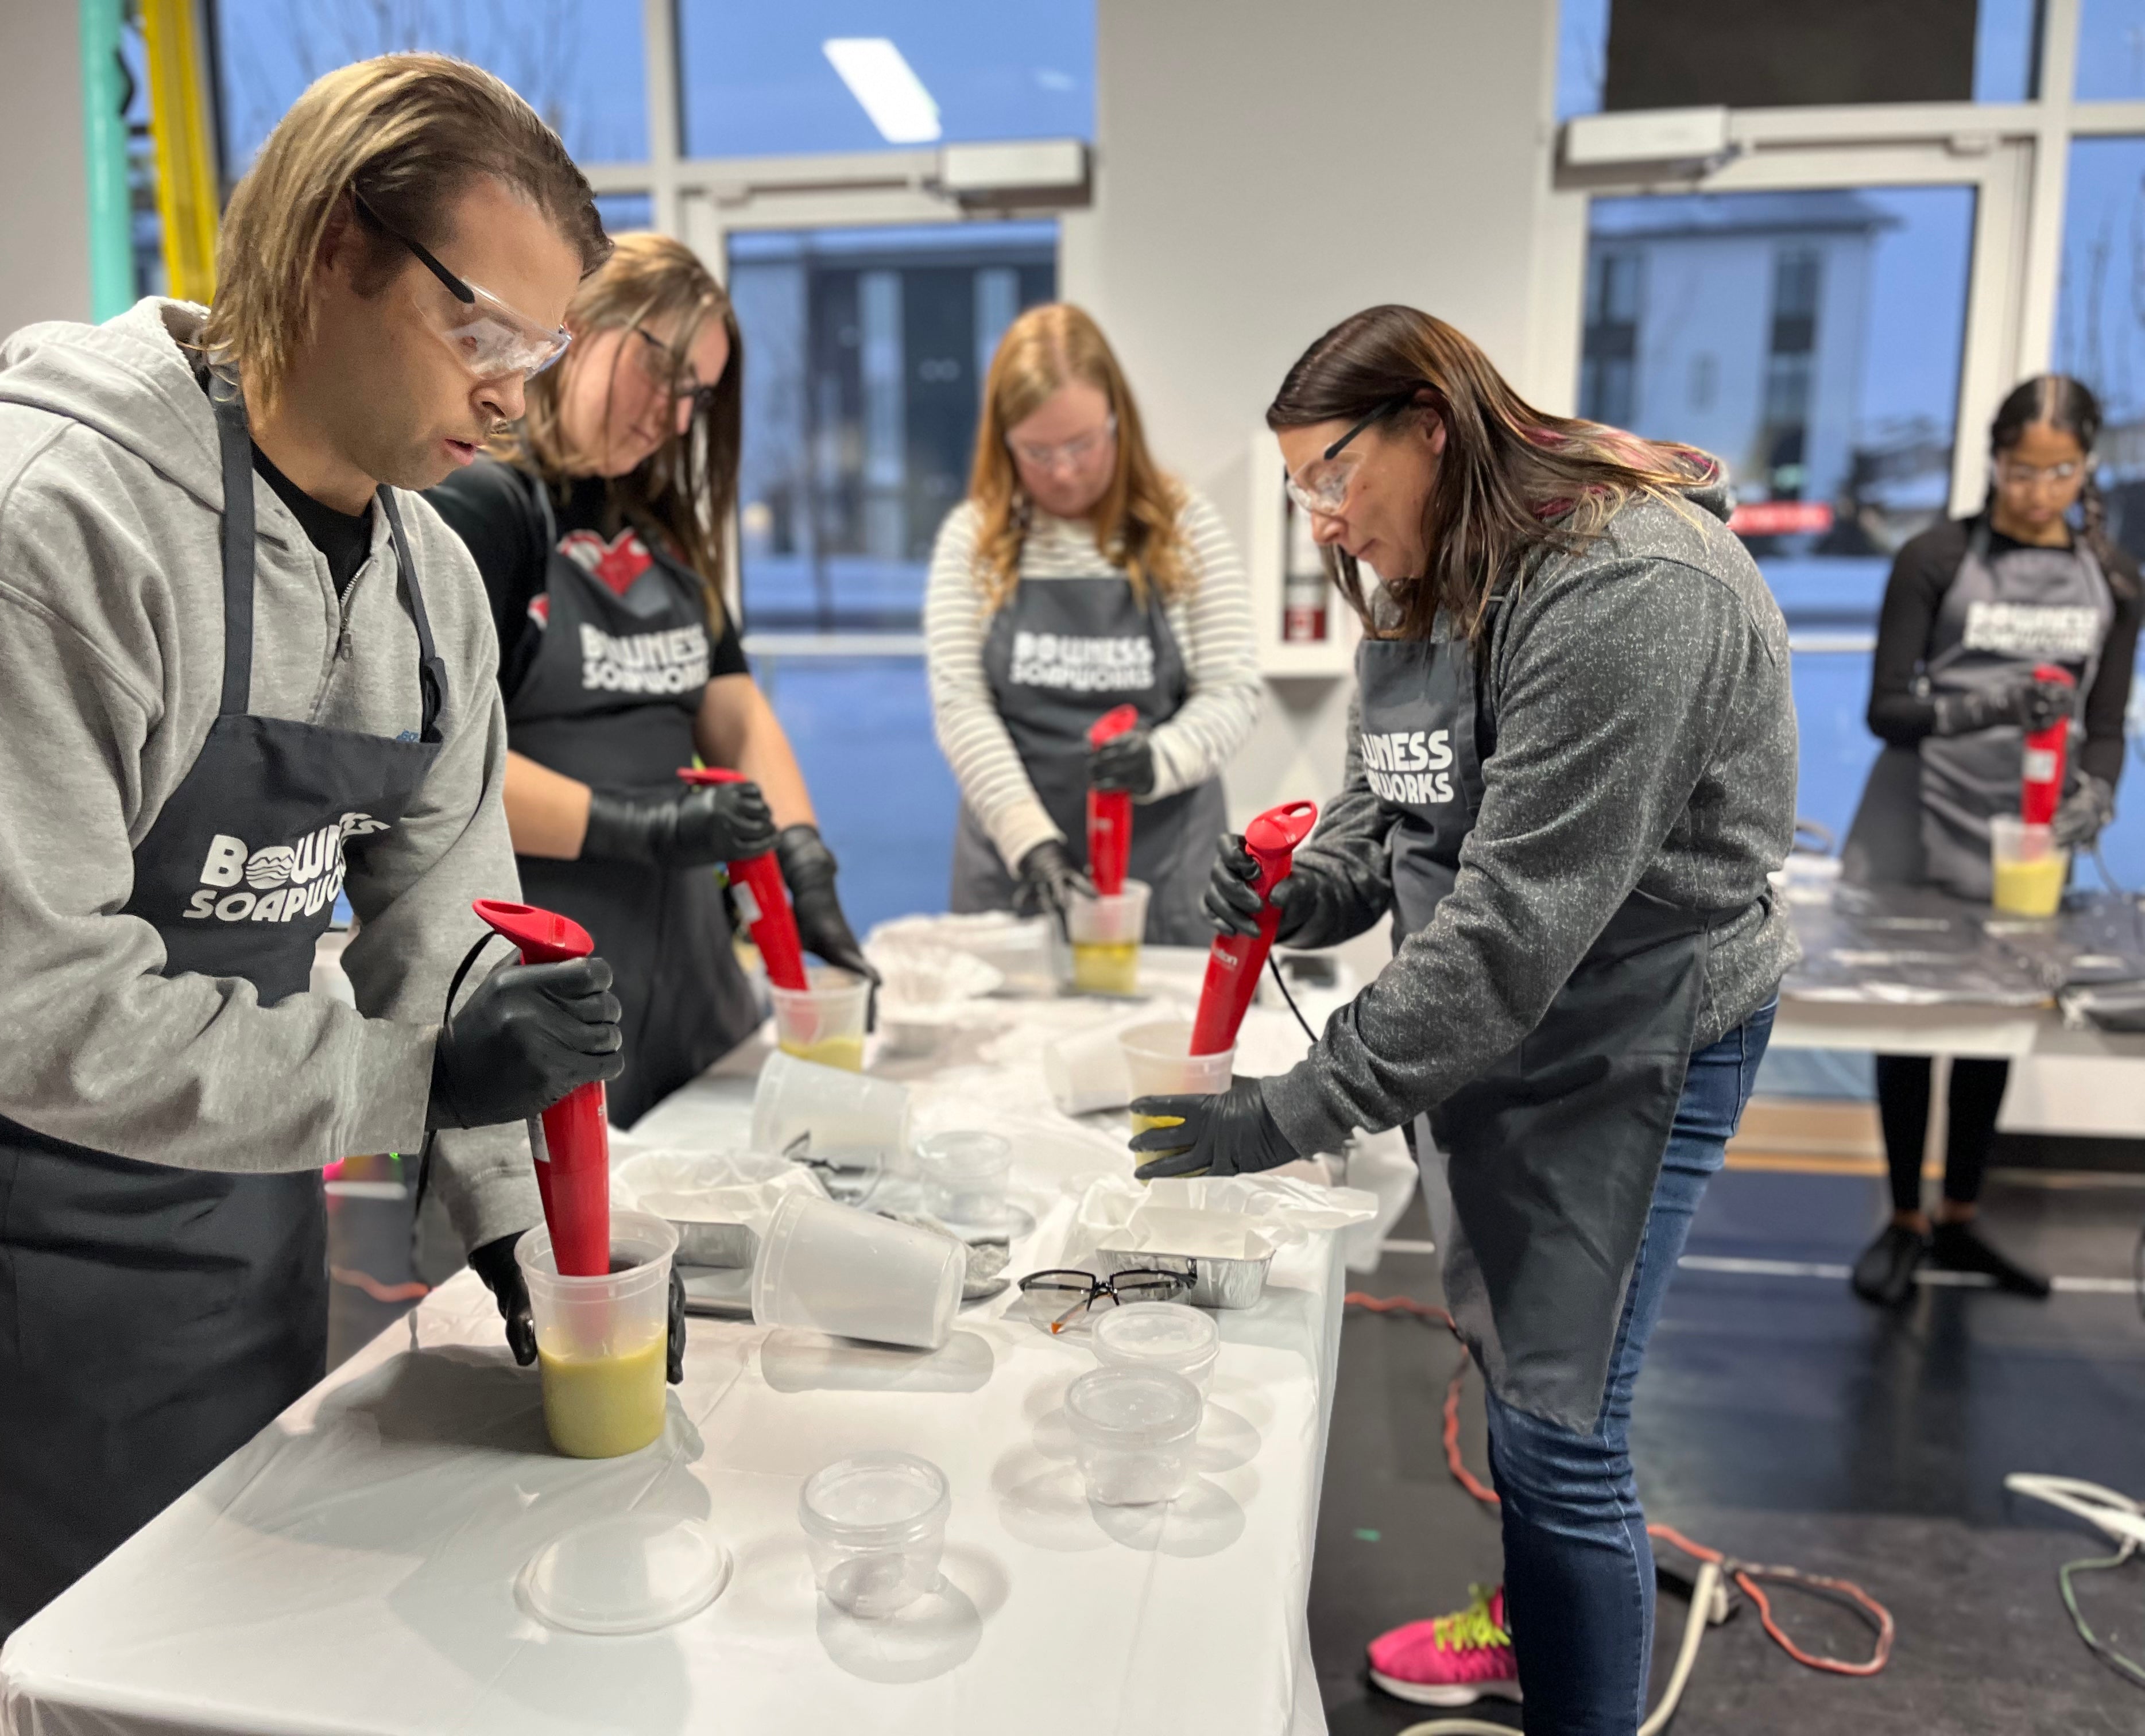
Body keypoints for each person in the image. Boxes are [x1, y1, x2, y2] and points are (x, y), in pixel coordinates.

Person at [0, 57, 629, 1644]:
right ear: (339, 246)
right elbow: (34, 1013)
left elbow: (451, 940)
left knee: (245, 1591)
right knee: (87, 1639)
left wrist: (524, 1240)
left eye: (538, 353)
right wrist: (412, 1080)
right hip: (5, 1192)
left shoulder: (425, 583)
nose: (512, 401)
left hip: (246, 1159)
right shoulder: (24, 537)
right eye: (484, 336)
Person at [1133, 307, 1795, 1731]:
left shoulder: (1632, 590)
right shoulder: (1433, 564)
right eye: (1298, 488)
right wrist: (1301, 893)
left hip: (1634, 1036)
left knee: (1564, 1436)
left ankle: (1574, 1683)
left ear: (1428, 428)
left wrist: (1280, 1117)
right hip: (1500, 1024)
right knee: (1513, 1364)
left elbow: (1511, 927)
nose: (1322, 519)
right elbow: (1404, 803)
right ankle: (1531, 1620)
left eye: (1330, 477)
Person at [426, 234, 874, 1128]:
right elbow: (439, 768)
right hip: (549, 985)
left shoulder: (658, 525)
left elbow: (736, 716)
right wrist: (640, 825)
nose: (677, 419)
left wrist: (802, 856)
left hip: (696, 988)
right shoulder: (487, 507)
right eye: (665, 376)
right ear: (577, 328)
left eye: (698, 398)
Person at [1844, 375, 2143, 1306]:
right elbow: (1887, 708)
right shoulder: (1932, 556)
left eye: (2059, 470)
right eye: (2020, 469)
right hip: (1920, 813)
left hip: (2027, 829)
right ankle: (1901, 1218)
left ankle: (1962, 1217)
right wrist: (1992, 702)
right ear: (1993, 460)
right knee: (1912, 1015)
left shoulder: (2116, 578)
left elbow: (2104, 718)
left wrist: (2096, 791)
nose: (2038, 489)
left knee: (1994, 1020)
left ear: (2085, 466)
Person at [924, 303, 1259, 942]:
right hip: (1018, 864)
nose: (1065, 471)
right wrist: (1032, 844)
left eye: (1082, 443)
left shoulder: (1182, 526)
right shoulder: (974, 540)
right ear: (1003, 441)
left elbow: (1234, 691)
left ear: (1118, 421)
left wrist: (1158, 759)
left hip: (1162, 873)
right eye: (1038, 451)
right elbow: (961, 707)